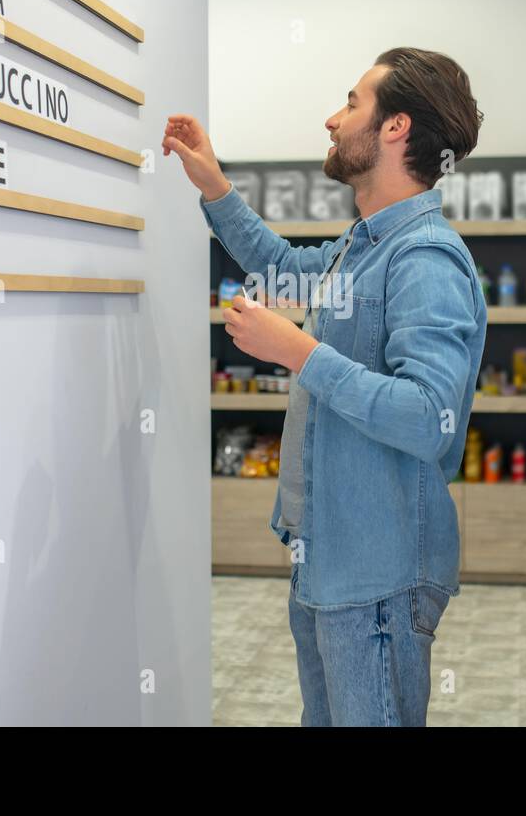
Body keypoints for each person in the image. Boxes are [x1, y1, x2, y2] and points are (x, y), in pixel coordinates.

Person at [163, 47, 486, 726]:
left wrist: (301, 354)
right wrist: (214, 186)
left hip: (379, 578)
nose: (332, 120)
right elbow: (281, 267)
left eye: (352, 103)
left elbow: (430, 418)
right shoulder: (361, 246)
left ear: (396, 128)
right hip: (328, 558)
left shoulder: (425, 257)